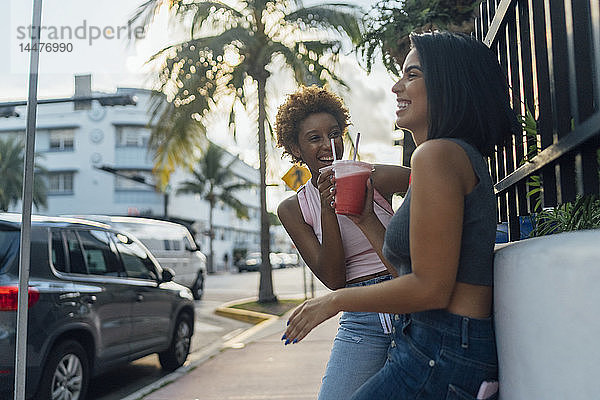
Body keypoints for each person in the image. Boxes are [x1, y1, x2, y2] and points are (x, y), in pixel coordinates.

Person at [282, 31, 519, 399]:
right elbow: (416, 273)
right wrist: (363, 218)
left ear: (447, 85)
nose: (396, 87)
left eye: (412, 75)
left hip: (442, 350)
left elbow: (430, 288)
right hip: (440, 344)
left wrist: (333, 301)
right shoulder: (450, 154)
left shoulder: (435, 156)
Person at [275, 85, 410, 400]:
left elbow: (429, 182)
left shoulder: (372, 177)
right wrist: (327, 206)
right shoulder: (294, 209)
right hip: (359, 315)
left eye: (334, 133)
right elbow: (334, 279)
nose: (328, 144)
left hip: (408, 297)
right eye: (314, 138)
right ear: (296, 148)